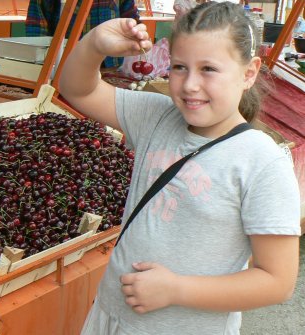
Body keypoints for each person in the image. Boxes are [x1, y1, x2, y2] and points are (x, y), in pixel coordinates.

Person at [59, 1, 301, 334]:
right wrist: (94, 45)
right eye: (179, 67)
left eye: (209, 69)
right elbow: (77, 89)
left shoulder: (262, 162)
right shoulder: (156, 117)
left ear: (249, 73)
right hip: (110, 318)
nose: (189, 84)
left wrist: (176, 289)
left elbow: (277, 281)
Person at [25, 0, 140, 68]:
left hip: (111, 65)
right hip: (68, 66)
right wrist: (40, 65)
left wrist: (137, 32)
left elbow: (130, 17)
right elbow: (37, 27)